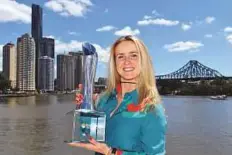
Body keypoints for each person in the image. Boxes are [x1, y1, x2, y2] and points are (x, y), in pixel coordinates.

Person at [68, 35, 167, 155]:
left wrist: (110, 152)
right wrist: (83, 107)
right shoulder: (104, 100)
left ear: (143, 61)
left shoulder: (152, 109)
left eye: (133, 55)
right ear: (114, 63)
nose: (127, 62)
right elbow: (90, 134)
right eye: (120, 56)